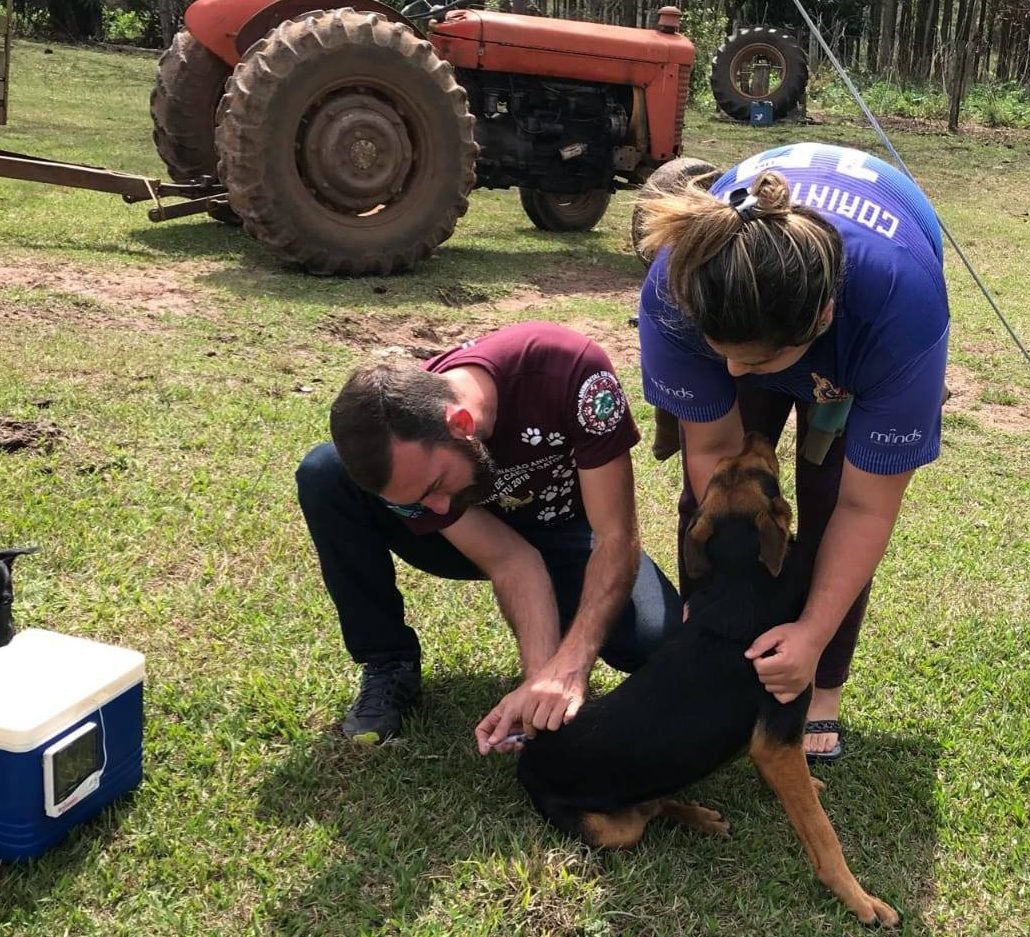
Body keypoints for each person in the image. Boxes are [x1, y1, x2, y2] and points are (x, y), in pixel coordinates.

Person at [637, 142, 949, 763]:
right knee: (726, 497)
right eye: (719, 350)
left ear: (823, 319)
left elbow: (865, 510)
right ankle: (713, 649)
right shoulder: (679, 289)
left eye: (752, 361)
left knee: (830, 502)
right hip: (754, 299)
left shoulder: (900, 313)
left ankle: (821, 688)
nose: (730, 370)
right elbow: (716, 459)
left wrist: (810, 633)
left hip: (868, 303)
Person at [296, 320, 681, 748]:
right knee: (325, 473)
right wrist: (539, 684)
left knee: (658, 644)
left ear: (460, 422)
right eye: (421, 501)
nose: (437, 508)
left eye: (435, 487)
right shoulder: (415, 479)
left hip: (568, 528)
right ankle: (388, 663)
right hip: (483, 540)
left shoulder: (572, 373)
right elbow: (511, 560)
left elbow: (615, 537)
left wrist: (568, 668)